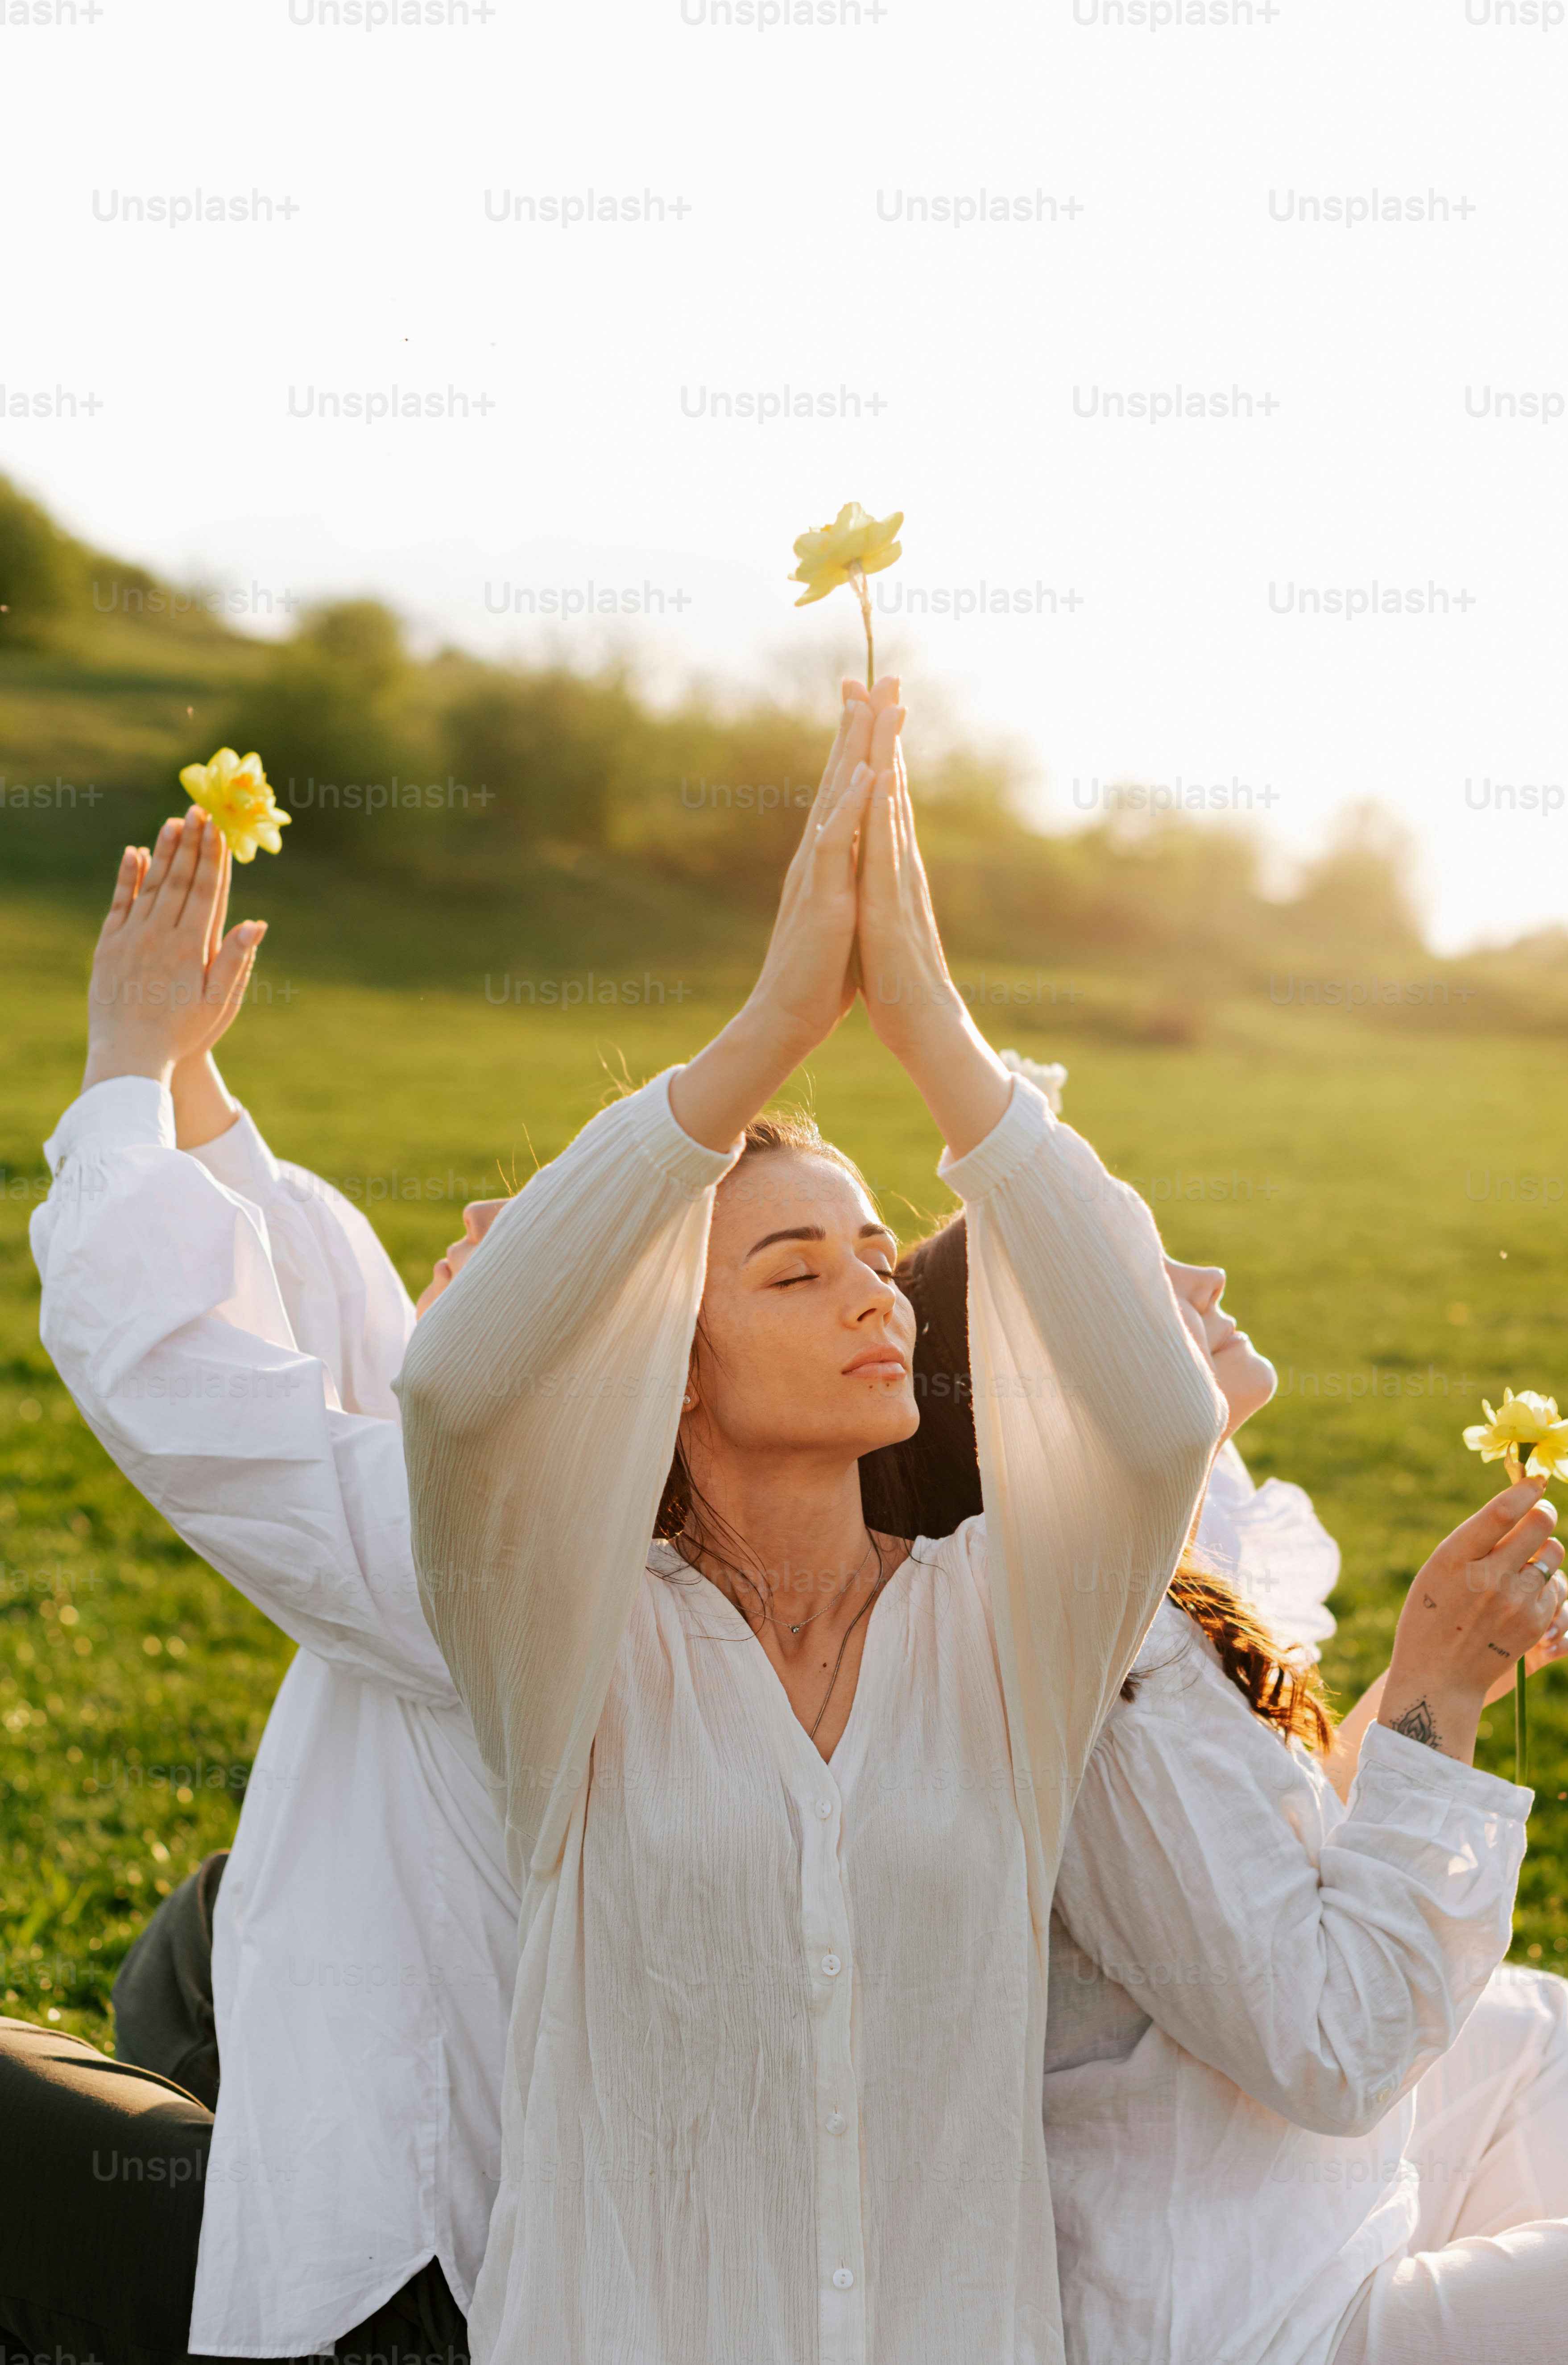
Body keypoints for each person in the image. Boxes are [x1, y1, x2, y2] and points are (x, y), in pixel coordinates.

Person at [397, 683, 1229, 2364]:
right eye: (794, 1268)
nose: (874, 1292)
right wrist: (771, 1025)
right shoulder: (575, 1636)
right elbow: (455, 1391)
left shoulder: (1002, 1625)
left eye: (871, 1254)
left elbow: (1159, 1416)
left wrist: (931, 1020)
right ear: (669, 1369)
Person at [884, 1202, 1568, 2365]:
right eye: (1147, 1275)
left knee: (1550, 2041)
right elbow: (1334, 2045)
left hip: (1283, 2209)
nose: (1207, 1276)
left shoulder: (1127, 1590)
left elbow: (1282, 1851)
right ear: (1066, 1375)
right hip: (1252, 2322)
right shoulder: (1110, 1678)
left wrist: (1449, 1663)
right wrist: (1439, 1685)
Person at [27, 804, 516, 2361]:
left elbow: (199, 1377)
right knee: (201, 1935)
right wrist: (189, 1082)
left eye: (540, 1245)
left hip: (421, 2299)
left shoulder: (502, 1563)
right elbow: (352, 1360)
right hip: (464, 2195)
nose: (481, 1224)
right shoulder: (567, 1492)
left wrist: (120, 1071)